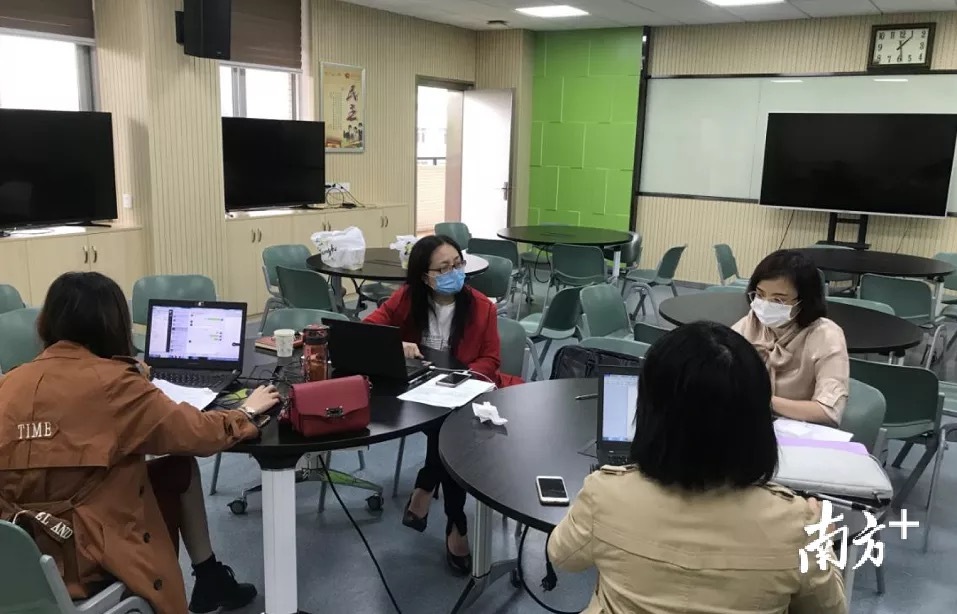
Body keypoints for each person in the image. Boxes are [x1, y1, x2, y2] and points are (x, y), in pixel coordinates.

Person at [0, 272, 280, 614]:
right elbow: (197, 434)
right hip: (85, 557)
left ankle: (210, 578)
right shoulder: (115, 385)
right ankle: (205, 577)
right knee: (177, 463)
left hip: (16, 560)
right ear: (112, 323)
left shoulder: (9, 383)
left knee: (177, 470)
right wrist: (246, 413)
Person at [547, 321, 847, 614]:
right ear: (757, 420)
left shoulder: (605, 494)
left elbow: (562, 556)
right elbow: (829, 609)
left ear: (650, 414)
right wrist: (823, 542)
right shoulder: (798, 524)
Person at [364, 234, 520, 574]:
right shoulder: (407, 298)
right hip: (419, 391)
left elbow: (490, 360)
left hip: (466, 391)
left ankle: (442, 504)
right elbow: (369, 330)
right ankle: (450, 519)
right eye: (443, 268)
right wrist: (397, 344)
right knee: (446, 430)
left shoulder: (481, 306)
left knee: (449, 429)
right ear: (425, 276)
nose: (454, 273)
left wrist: (458, 380)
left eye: (457, 264)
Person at [733, 249, 849, 425]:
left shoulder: (826, 336)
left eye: (778, 300)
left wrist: (764, 401)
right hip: (751, 424)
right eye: (760, 295)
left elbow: (828, 411)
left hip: (800, 430)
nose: (765, 305)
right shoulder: (751, 323)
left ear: (804, 301)